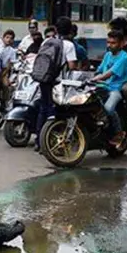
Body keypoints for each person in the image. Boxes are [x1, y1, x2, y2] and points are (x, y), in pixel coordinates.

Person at [34, 17, 78, 152]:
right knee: (57, 111)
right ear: (70, 30)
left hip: (44, 79)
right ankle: (51, 142)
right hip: (58, 82)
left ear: (56, 29)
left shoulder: (47, 41)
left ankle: (39, 141)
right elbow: (72, 66)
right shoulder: (69, 45)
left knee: (43, 108)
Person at [91, 29, 127, 149]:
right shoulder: (108, 55)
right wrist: (91, 74)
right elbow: (100, 69)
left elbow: (109, 73)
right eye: (108, 42)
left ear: (121, 43)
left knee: (108, 109)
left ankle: (119, 133)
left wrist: (97, 78)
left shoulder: (125, 58)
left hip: (116, 88)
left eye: (113, 43)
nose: (109, 45)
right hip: (102, 87)